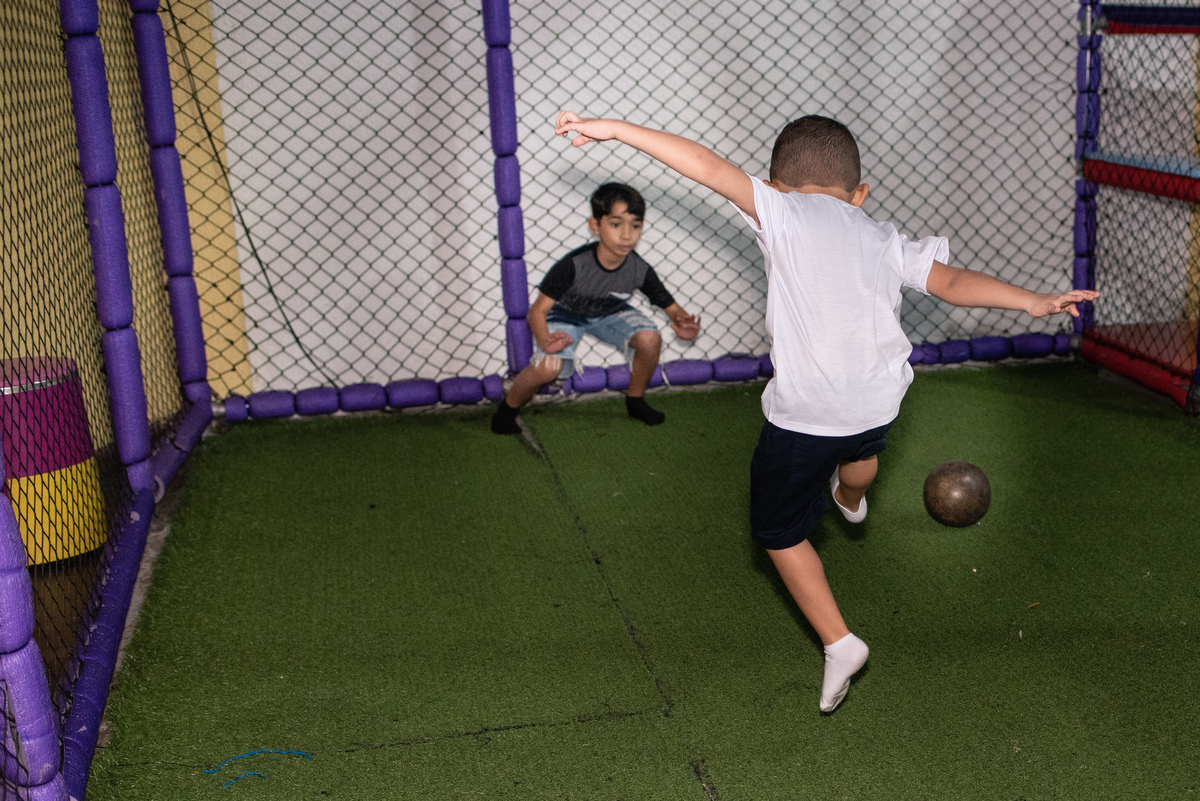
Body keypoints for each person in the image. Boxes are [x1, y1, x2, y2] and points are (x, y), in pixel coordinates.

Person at [553, 111, 1099, 712]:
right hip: (879, 398)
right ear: (858, 194)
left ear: (776, 186)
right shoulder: (882, 235)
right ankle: (848, 496)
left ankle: (840, 641)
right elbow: (951, 282)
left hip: (809, 413)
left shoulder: (779, 211)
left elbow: (705, 166)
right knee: (860, 451)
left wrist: (614, 129)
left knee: (777, 533)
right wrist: (1032, 301)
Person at [492, 182, 701, 434]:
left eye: (635, 225)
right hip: (567, 315)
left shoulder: (639, 269)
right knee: (547, 368)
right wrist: (545, 340)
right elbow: (536, 311)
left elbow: (672, 309)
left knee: (650, 339)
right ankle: (507, 410)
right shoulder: (574, 265)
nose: (627, 235)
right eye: (616, 224)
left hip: (609, 314)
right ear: (596, 226)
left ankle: (635, 401)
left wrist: (683, 324)